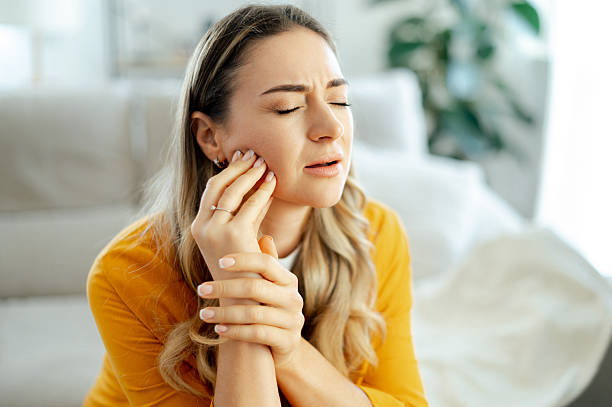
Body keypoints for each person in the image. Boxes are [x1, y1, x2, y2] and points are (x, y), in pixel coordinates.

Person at [84, 4, 428, 407]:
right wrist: (236, 292)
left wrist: (289, 351)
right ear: (211, 137)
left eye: (339, 100)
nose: (331, 128)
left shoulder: (377, 233)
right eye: (288, 107)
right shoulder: (126, 273)